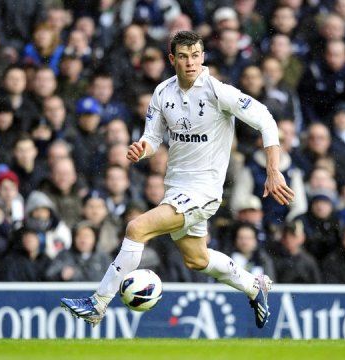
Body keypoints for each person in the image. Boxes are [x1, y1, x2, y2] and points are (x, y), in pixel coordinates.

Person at [61, 31, 294, 329]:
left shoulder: (218, 92)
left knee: (136, 228)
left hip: (204, 191)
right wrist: (142, 149)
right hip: (176, 188)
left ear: (203, 56)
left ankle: (98, 303)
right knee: (196, 260)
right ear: (172, 59)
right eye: (183, 56)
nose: (190, 62)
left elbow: (266, 120)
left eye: (195, 55)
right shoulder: (162, 92)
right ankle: (254, 286)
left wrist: (273, 170)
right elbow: (153, 138)